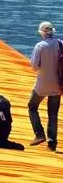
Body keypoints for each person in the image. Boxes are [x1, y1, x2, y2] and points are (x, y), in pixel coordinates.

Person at [28, 21, 60, 151]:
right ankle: (52, 143)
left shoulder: (40, 46)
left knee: (32, 107)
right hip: (57, 84)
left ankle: (39, 134)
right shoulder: (60, 44)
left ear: (42, 33)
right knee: (53, 114)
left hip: (42, 84)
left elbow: (34, 66)